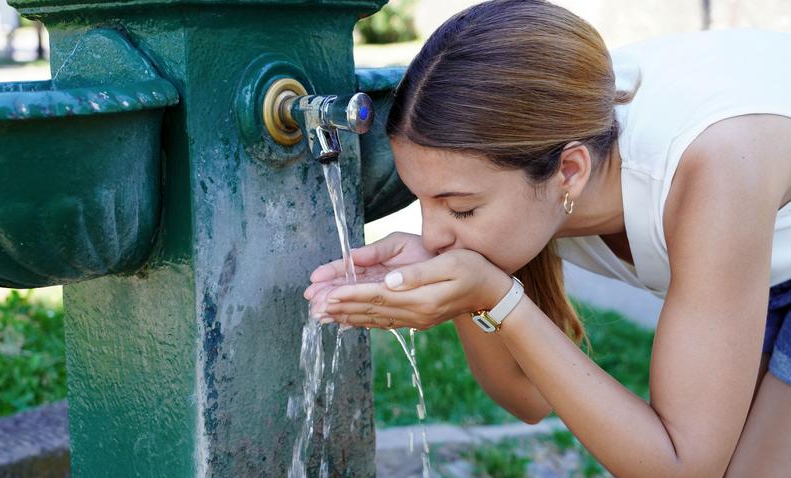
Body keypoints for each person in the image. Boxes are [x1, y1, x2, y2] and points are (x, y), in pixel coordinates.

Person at [303, 0, 791, 475]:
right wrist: (467, 290)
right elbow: (527, 397)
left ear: (570, 171)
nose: (432, 236)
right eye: (422, 201)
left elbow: (679, 465)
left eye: (461, 208)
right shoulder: (544, 137)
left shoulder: (715, 167)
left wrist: (498, 298)